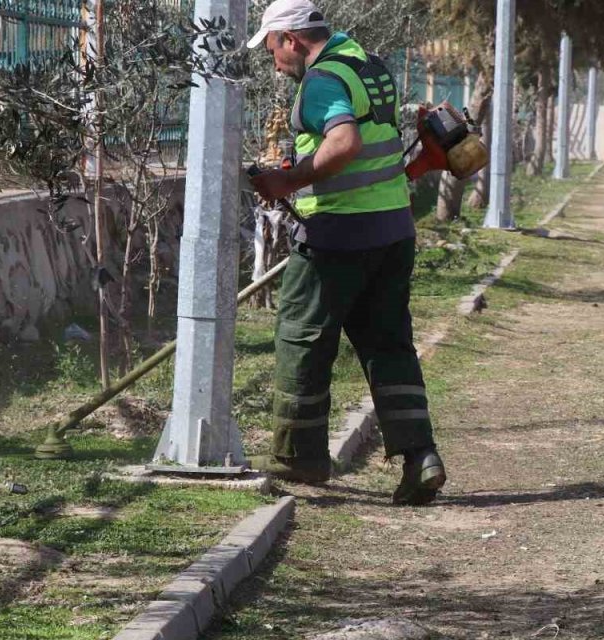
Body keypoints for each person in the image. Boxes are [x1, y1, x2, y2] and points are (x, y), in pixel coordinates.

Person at [247, 0, 446, 506]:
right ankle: (420, 456)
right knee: (388, 344)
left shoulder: (320, 81)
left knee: (302, 338)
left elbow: (346, 142)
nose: (273, 60)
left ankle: (300, 460)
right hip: (393, 229)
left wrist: (286, 179)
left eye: (271, 47)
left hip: (339, 234)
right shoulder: (367, 62)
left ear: (290, 39)